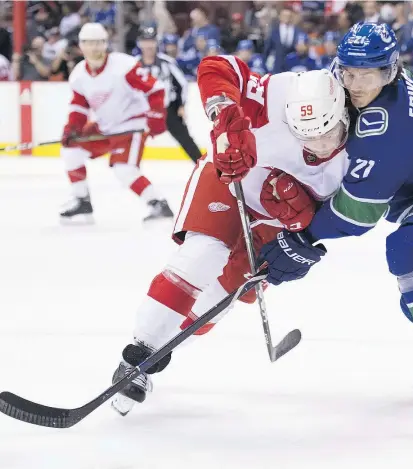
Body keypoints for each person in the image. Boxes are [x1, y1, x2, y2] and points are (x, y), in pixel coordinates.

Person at [255, 22, 413, 433]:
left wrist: (305, 237)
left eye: (367, 75)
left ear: (390, 72)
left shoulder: (391, 123)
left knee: (408, 249)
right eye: (348, 72)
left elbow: (359, 214)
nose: (355, 83)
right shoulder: (347, 86)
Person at [108, 60, 350, 416]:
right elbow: (217, 66)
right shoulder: (278, 93)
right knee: (202, 255)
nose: (317, 146)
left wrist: (308, 231)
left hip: (277, 218)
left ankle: (161, 349)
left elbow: (350, 215)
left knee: (224, 294)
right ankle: (138, 355)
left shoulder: (366, 145)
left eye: (328, 135)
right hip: (229, 178)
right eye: (306, 135)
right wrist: (226, 117)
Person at [59, 23, 173, 223]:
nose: (94, 48)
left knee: (124, 170)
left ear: (105, 44)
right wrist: (72, 129)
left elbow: (156, 89)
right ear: (81, 46)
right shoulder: (79, 74)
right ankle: (81, 200)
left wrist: (156, 117)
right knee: (71, 151)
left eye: (98, 43)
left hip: (131, 126)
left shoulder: (123, 66)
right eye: (89, 43)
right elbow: (79, 106)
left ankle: (157, 203)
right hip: (106, 127)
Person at [136, 26, 202, 163]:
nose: (148, 45)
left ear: (156, 42)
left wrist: (181, 105)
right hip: (142, 111)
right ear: (140, 43)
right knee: (133, 140)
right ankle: (129, 169)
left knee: (186, 140)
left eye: (151, 41)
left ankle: (202, 167)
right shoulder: (134, 64)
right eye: (145, 41)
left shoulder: (167, 62)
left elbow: (182, 84)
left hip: (167, 110)